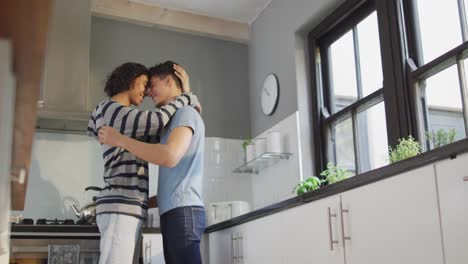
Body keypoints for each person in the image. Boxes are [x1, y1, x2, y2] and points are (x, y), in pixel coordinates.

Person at [87, 62, 199, 264]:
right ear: (131, 80)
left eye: (150, 85)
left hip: (127, 206)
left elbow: (165, 133)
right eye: (145, 84)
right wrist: (187, 97)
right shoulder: (111, 109)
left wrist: (187, 95)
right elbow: (156, 121)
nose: (147, 92)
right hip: (121, 205)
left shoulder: (128, 124)